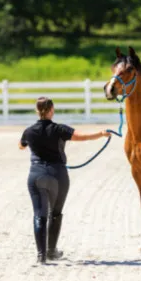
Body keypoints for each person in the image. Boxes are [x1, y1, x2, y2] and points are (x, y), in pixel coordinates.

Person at [18, 96, 110, 264]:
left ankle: (41, 256)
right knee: (55, 213)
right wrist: (101, 133)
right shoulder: (59, 129)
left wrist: (29, 144)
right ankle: (51, 251)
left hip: (36, 174)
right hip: (57, 175)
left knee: (39, 215)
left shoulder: (29, 131)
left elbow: (21, 145)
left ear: (37, 111)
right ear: (52, 110)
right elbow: (82, 137)